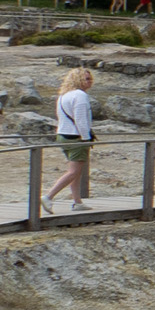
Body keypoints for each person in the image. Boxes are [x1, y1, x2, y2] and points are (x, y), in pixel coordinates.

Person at [45, 67, 96, 214]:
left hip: (63, 135)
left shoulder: (63, 95)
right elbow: (81, 120)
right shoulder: (80, 96)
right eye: (87, 79)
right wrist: (86, 139)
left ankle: (77, 201)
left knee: (76, 171)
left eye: (90, 78)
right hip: (75, 137)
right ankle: (49, 196)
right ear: (78, 80)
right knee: (73, 172)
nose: (90, 82)